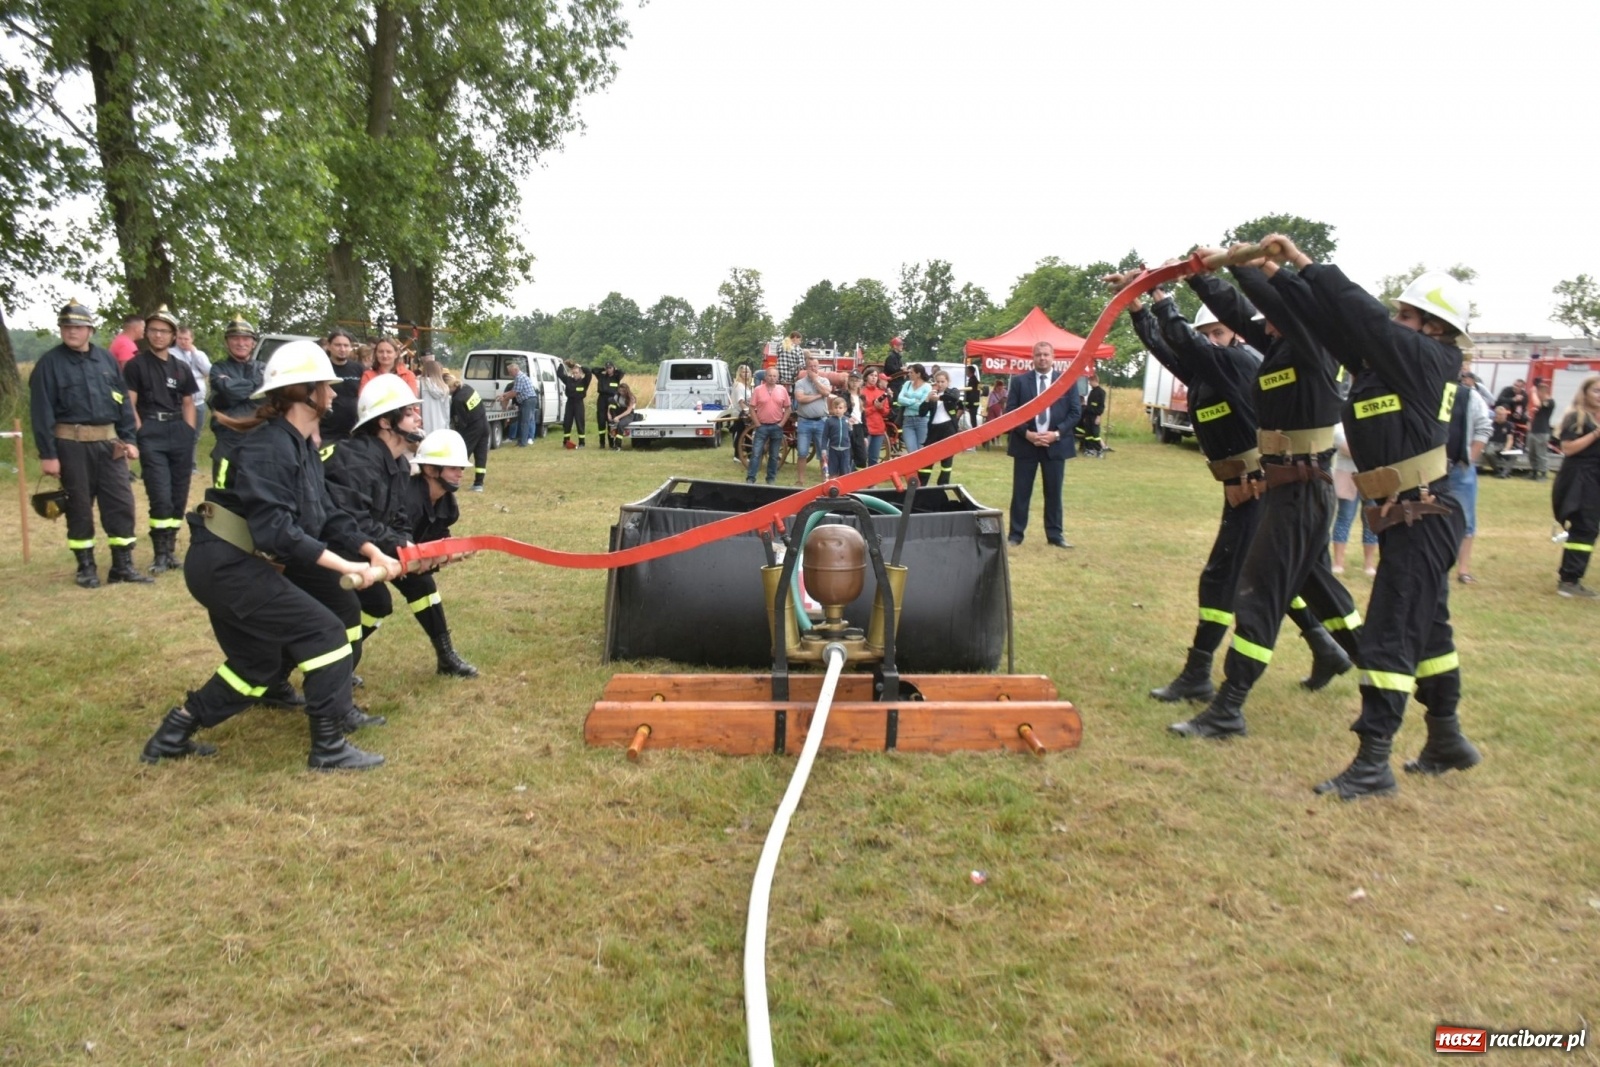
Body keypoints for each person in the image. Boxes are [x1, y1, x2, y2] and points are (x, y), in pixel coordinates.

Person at [1260, 240, 1481, 799]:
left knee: (1390, 633)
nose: (1395, 321)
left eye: (1405, 314)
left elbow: (1361, 316)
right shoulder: (1396, 364)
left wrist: (1305, 262)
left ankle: (1373, 762)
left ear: (1434, 327)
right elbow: (1332, 326)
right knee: (1430, 631)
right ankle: (1447, 738)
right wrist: (1276, 276)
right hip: (1410, 514)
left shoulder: (1430, 359)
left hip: (1421, 515)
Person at [139, 340, 400, 770]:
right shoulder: (269, 447)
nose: (334, 393)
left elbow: (328, 514)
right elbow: (277, 532)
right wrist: (347, 565)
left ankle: (173, 732)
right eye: (326, 386)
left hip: (234, 564)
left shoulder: (299, 444)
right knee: (325, 633)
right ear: (306, 393)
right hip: (227, 567)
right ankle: (328, 747)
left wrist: (371, 551)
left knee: (256, 665)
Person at [1111, 276, 1352, 702]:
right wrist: (1137, 309)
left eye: (1218, 332)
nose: (1211, 340)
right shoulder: (1209, 371)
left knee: (1222, 577)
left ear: (1237, 333)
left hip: (1258, 488)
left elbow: (1186, 343)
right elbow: (1169, 349)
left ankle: (1199, 671)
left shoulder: (1238, 362)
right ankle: (1327, 648)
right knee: (1291, 579)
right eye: (1206, 333)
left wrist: (1160, 296)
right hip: (1243, 488)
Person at [1166, 253, 1364, 742]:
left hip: (1303, 490)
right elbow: (1238, 313)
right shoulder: (1280, 348)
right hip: (1286, 490)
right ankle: (1365, 665)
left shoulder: (1314, 345)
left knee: (1257, 593)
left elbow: (1264, 308)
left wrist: (1249, 268)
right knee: (1320, 592)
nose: (1261, 324)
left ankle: (1229, 707)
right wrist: (1201, 277)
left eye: (1271, 315)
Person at [29, 298, 151, 588]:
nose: (72, 331)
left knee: (121, 503)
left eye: (78, 327)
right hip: (71, 445)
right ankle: (86, 567)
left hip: (110, 445)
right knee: (79, 506)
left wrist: (129, 438)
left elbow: (122, 402)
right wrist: (48, 454)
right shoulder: (49, 364)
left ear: (90, 330)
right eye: (66, 326)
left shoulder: (106, 360)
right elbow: (41, 412)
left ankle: (122, 566)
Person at [322, 373, 425, 695]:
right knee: (348, 612)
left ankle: (337, 664)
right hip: (323, 552)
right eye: (408, 413)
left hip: (356, 551)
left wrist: (407, 546)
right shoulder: (354, 462)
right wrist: (399, 545)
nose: (418, 418)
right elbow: (353, 523)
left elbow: (398, 518)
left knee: (378, 604)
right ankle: (329, 673)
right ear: (384, 422)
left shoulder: (398, 465)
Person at [122, 305, 199, 575]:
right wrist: (140, 431)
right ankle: (160, 553)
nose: (158, 335)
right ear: (146, 333)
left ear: (173, 335)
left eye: (164, 331)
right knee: (160, 494)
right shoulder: (136, 365)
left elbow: (189, 402)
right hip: (151, 431)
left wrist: (189, 431)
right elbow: (129, 403)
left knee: (179, 494)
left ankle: (171, 549)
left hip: (179, 431)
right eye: (154, 330)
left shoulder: (181, 367)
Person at [401, 429, 479, 676]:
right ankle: (341, 667)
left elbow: (437, 535)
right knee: (373, 604)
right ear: (430, 469)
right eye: (453, 467)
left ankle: (446, 658)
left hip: (410, 560)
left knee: (425, 588)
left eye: (461, 468)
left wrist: (447, 548)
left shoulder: (447, 501)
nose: (460, 473)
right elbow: (393, 534)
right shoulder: (407, 499)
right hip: (376, 555)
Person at [1006, 342, 1079, 548]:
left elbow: (1075, 412)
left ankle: (1055, 535)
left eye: (1046, 354)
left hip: (1055, 446)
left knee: (1054, 493)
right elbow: (1011, 412)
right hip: (1026, 445)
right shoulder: (1019, 382)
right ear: (1033, 357)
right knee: (1021, 493)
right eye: (1038, 354)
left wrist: (1056, 434)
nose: (1042, 358)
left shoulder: (1066, 382)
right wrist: (1027, 434)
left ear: (1053, 357)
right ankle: (1015, 535)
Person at [1552, 374, 1600, 598]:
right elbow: (1568, 448)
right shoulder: (1577, 417)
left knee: (1589, 527)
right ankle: (1569, 580)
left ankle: (1572, 577)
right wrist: (1596, 433)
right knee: (1584, 526)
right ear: (1585, 393)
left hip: (1595, 477)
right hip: (1580, 478)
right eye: (1596, 391)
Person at [1446, 372, 1492, 584]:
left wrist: (1470, 458)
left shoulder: (1469, 396)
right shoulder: (1424, 391)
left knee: (1465, 520)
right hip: (1426, 468)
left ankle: (1463, 570)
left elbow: (1484, 427)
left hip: (1460, 467)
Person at [208, 314, 265, 482]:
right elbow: (229, 391)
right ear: (227, 342)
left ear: (253, 343)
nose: (241, 343)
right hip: (228, 440)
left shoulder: (263, 368)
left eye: (246, 339)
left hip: (259, 439)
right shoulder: (218, 368)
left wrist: (233, 385)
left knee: (256, 489)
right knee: (223, 490)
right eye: (235, 338)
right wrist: (255, 384)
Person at [1330, 423, 1378, 578]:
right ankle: (1338, 563)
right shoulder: (1340, 426)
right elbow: (1344, 446)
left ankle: (1369, 565)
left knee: (1371, 520)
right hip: (1347, 477)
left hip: (1372, 477)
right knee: (1344, 517)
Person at [444, 368, 490, 489]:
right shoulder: (468, 388)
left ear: (450, 387)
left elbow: (461, 422)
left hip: (472, 428)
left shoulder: (457, 400)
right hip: (484, 424)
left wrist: (457, 434)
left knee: (462, 454)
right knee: (481, 455)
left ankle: (452, 479)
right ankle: (479, 484)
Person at [172, 325, 211, 464]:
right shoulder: (171, 354)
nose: (183, 342)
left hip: (198, 402)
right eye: (180, 338)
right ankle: (178, 463)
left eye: (186, 339)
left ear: (192, 339)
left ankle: (191, 464)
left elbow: (208, 371)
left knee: (194, 435)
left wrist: (194, 353)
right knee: (179, 435)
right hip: (179, 403)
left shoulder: (199, 354)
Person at [919, 368, 964, 486]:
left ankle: (943, 485)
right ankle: (921, 485)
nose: (940, 384)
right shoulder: (933, 395)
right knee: (927, 458)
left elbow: (954, 398)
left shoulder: (953, 391)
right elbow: (921, 413)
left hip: (948, 428)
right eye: (938, 382)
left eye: (942, 381)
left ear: (948, 382)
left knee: (947, 459)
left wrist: (939, 398)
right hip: (934, 429)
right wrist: (927, 399)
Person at [791, 355, 831, 486]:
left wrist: (815, 381)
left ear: (818, 367)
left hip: (822, 422)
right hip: (804, 422)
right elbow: (800, 399)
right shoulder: (800, 383)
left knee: (823, 453)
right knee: (802, 453)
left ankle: (824, 480)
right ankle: (800, 481)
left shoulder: (824, 380)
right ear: (806, 368)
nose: (813, 368)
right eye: (810, 366)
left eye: (815, 366)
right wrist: (819, 395)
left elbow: (826, 392)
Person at [745, 369, 790, 485]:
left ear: (777, 378)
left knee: (774, 455)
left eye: (774, 376)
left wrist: (781, 424)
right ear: (765, 377)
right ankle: (751, 478)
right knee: (756, 453)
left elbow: (788, 408)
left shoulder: (782, 390)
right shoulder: (758, 390)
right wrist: (757, 423)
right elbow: (751, 408)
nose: (772, 378)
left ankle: (771, 479)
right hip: (762, 426)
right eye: (770, 375)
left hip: (776, 426)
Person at [321, 327, 364, 442]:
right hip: (326, 432)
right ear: (329, 346)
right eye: (338, 345)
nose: (342, 349)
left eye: (346, 345)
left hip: (353, 432)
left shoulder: (358, 368)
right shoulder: (321, 367)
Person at [896, 363, 933, 456]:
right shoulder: (907, 384)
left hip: (922, 420)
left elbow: (922, 405)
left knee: (921, 450)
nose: (909, 374)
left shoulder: (927, 387)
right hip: (907, 421)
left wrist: (907, 402)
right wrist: (914, 401)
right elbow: (900, 399)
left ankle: (921, 466)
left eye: (911, 372)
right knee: (911, 451)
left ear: (918, 374)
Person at [556, 359, 593, 448]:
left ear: (580, 373)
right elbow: (559, 374)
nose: (575, 375)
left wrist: (580, 366)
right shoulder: (568, 380)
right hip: (570, 403)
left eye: (576, 373)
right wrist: (561, 364)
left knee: (580, 423)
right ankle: (566, 442)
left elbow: (589, 372)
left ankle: (582, 443)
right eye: (573, 373)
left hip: (579, 403)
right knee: (567, 422)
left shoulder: (584, 381)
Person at [502, 359, 539, 446]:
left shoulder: (519, 377)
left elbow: (515, 393)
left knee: (525, 422)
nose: (510, 374)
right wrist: (503, 395)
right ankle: (521, 440)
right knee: (522, 421)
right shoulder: (519, 377)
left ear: (515, 370)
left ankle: (523, 442)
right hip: (527, 400)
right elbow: (513, 390)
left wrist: (504, 398)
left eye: (510, 372)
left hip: (528, 400)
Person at [860, 367, 891, 464]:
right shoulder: (861, 392)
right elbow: (861, 412)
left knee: (874, 458)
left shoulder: (881, 393)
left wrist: (880, 408)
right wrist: (875, 408)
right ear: (866, 377)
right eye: (871, 375)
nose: (874, 378)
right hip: (866, 428)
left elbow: (886, 412)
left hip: (879, 428)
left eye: (876, 376)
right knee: (862, 456)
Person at [1527, 379, 1555, 481]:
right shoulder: (1541, 403)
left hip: (1542, 432)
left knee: (1541, 454)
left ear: (1543, 392)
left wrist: (1533, 393)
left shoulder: (1550, 402)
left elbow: (1538, 404)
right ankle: (1534, 472)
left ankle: (1543, 473)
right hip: (1534, 431)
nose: (1537, 395)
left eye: (1538, 393)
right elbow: (1538, 408)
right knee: (1532, 453)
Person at [821, 394, 854, 479]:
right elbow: (825, 436)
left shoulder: (847, 420)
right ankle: (833, 484)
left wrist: (851, 428)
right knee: (833, 471)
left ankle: (845, 485)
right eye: (835, 408)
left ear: (845, 409)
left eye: (840, 408)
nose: (838, 410)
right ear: (832, 409)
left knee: (845, 471)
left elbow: (850, 435)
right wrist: (824, 449)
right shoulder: (829, 421)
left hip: (845, 450)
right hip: (833, 450)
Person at [1077, 371, 1107, 457]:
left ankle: (1099, 450)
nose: (1089, 383)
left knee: (1095, 434)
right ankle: (1090, 450)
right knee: (1088, 434)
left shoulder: (1101, 392)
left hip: (1095, 416)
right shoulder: (1092, 392)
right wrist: (1085, 416)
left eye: (1090, 381)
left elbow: (1101, 406)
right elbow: (1089, 405)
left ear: (1094, 380)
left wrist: (1098, 416)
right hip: (1088, 416)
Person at [594, 358, 624, 443]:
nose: (608, 369)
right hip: (602, 399)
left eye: (610, 368)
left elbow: (622, 372)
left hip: (612, 399)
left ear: (613, 368)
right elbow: (594, 370)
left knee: (611, 420)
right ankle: (602, 442)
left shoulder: (616, 377)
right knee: (601, 420)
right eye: (607, 368)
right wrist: (603, 369)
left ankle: (611, 442)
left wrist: (615, 369)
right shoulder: (602, 376)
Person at [417, 358, 451, 435]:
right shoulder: (444, 388)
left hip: (424, 427)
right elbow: (446, 412)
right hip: (441, 428)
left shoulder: (419, 384)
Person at [729, 363, 755, 458]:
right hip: (740, 413)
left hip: (746, 412)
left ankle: (749, 454)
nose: (746, 374)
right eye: (743, 372)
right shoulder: (739, 385)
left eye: (748, 372)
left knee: (747, 434)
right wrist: (748, 412)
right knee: (740, 434)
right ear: (740, 373)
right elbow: (741, 402)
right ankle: (737, 456)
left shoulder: (747, 386)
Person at [844, 372, 868, 469]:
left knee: (862, 457)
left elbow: (863, 416)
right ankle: (848, 473)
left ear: (860, 382)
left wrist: (865, 435)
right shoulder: (845, 395)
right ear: (848, 382)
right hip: (848, 427)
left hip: (859, 427)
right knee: (849, 454)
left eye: (857, 381)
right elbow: (843, 410)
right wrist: (848, 417)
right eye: (852, 381)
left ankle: (859, 474)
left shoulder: (861, 397)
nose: (854, 383)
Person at [606, 383, 637, 450]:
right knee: (610, 399)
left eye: (623, 391)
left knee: (621, 425)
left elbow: (628, 411)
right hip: (620, 411)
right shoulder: (617, 396)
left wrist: (618, 417)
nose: (621, 393)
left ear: (627, 390)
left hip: (628, 414)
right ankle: (614, 419)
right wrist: (609, 414)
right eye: (620, 391)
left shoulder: (631, 398)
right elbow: (610, 406)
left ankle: (618, 445)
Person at [984, 377, 1007, 449]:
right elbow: (990, 404)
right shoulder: (992, 393)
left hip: (1002, 411)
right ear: (996, 387)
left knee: (1000, 424)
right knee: (992, 424)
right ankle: (993, 438)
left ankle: (997, 438)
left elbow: (1007, 400)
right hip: (993, 411)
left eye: (1001, 387)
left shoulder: (1005, 392)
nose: (1000, 389)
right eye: (999, 388)